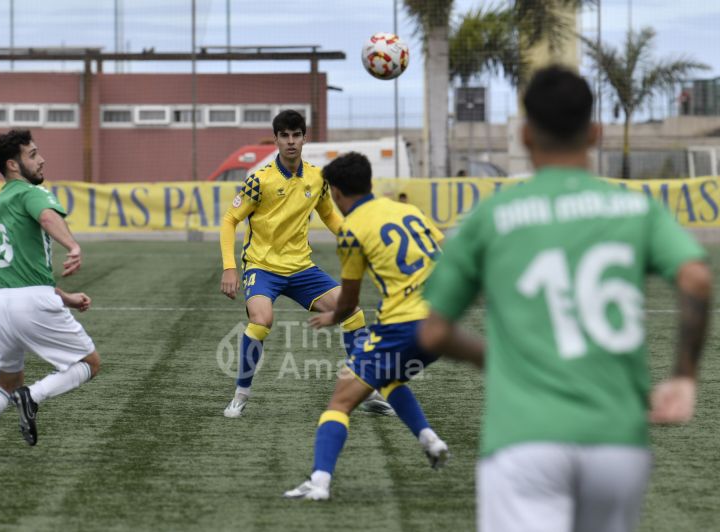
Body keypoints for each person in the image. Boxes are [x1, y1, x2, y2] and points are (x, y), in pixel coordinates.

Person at [419, 66, 712, 532]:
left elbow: (433, 331)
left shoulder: (492, 216)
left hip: (524, 439)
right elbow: (696, 278)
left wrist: (491, 356)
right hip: (618, 441)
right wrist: (683, 377)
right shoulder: (636, 208)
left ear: (525, 134)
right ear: (595, 132)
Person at [283, 152, 449, 501]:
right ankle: (429, 440)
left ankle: (319, 482)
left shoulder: (352, 229)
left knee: (340, 402)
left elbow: (348, 301)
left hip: (401, 326)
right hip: (441, 322)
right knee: (388, 379)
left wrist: (332, 317)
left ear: (339, 195)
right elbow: (445, 252)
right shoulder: (409, 211)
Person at [219, 110, 392, 418]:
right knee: (262, 320)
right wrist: (229, 267)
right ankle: (240, 395)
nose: (290, 142)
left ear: (304, 138)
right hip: (262, 267)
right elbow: (230, 219)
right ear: (275, 140)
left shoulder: (317, 177)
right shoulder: (259, 181)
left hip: (302, 269)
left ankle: (366, 390)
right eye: (284, 136)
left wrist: (356, 239)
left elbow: (330, 216)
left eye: (296, 135)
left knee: (351, 311)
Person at [0, 129, 101, 462]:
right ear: (13, 165)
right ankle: (32, 396)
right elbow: (48, 216)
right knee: (90, 363)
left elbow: (19, 270)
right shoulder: (27, 193)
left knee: (6, 382)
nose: (42, 158)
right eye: (33, 154)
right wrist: (73, 246)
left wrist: (64, 296)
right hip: (30, 301)